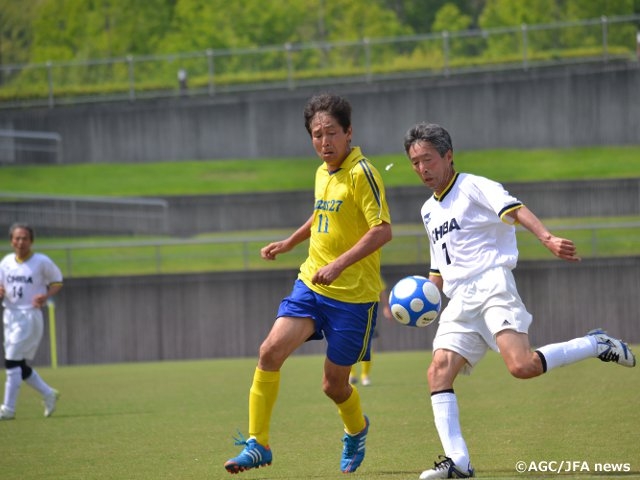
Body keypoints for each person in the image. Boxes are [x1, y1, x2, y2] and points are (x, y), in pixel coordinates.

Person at [402, 123, 636, 480]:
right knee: (437, 371)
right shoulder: (427, 210)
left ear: (448, 156)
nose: (422, 169)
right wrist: (425, 300)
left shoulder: (474, 186)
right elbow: (439, 266)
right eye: (415, 162)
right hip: (459, 299)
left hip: (492, 285)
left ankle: (595, 343)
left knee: (522, 366)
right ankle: (459, 463)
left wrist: (547, 238)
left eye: (428, 159)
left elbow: (514, 209)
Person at [223, 93, 392, 475]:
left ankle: (356, 429)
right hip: (311, 286)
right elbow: (321, 215)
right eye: (316, 135)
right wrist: (289, 243)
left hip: (353, 299)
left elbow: (383, 231)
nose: (324, 142)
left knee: (334, 386)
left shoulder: (363, 172)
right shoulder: (322, 173)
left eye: (331, 133)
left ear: (349, 132)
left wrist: (339, 264)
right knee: (269, 352)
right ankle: (258, 444)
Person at [0, 223, 63, 420]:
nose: (20, 242)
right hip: (9, 315)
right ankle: (48, 393)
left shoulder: (41, 261)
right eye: (17, 238)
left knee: (11, 361)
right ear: (11, 241)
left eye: (24, 238)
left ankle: (8, 409)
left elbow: (57, 281)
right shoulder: (6, 262)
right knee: (19, 365)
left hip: (29, 315)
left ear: (31, 241)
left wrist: (45, 296)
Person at [349, 284, 393, 386]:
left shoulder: (370, 269)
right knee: (347, 345)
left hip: (365, 312)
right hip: (347, 312)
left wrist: (386, 307)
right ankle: (351, 374)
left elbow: (381, 287)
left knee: (367, 345)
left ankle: (365, 375)